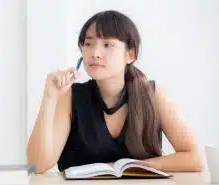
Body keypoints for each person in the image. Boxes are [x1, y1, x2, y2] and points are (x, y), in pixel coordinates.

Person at [27, 10, 203, 174]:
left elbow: (195, 157)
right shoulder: (71, 96)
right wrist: (50, 97)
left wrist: (140, 166)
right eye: (88, 44)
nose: (95, 53)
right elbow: (38, 165)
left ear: (130, 54)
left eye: (107, 44)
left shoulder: (152, 94)